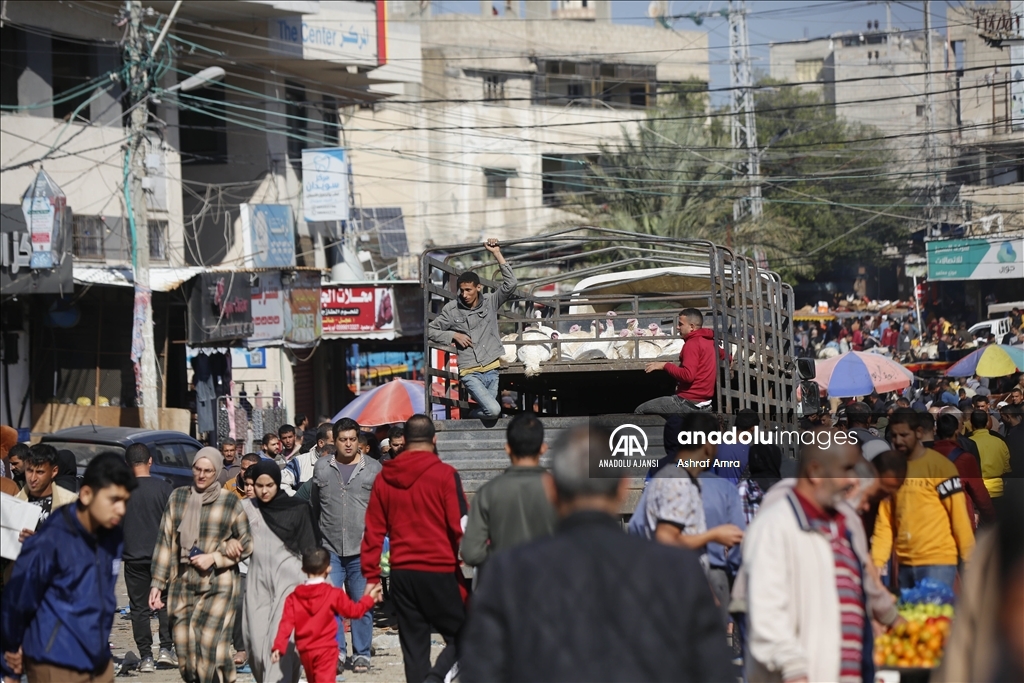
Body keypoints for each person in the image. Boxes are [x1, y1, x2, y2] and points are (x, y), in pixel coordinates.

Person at [459, 425, 734, 683]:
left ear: (551, 490)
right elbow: (714, 672)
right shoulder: (680, 571)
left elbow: (481, 672)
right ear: (623, 488)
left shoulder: (507, 573)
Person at [741, 435, 873, 683]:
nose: (853, 481)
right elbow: (767, 617)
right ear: (815, 472)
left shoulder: (840, 529)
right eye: (846, 470)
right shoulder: (775, 527)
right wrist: (794, 669)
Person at [1, 453, 137, 683]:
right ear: (86, 495)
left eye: (124, 501)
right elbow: (17, 601)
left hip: (98, 657)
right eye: (113, 500)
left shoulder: (112, 536)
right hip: (56, 660)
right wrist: (10, 657)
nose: (121, 510)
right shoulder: (51, 540)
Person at [361, 415, 469, 683]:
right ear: (434, 440)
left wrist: (371, 577)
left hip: (402, 574)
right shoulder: (445, 475)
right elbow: (461, 525)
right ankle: (437, 676)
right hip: (439, 570)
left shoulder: (385, 478)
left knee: (414, 646)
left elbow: (373, 531)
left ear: (405, 442)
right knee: (466, 634)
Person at [149, 447, 253, 683]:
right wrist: (157, 583)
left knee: (209, 649)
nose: (202, 475)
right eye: (198, 469)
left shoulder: (229, 502)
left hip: (219, 584)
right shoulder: (178, 497)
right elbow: (166, 541)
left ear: (217, 472)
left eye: (208, 470)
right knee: (185, 656)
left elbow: (246, 543)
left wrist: (215, 557)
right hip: (182, 583)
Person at [870, 409, 974, 590]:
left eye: (904, 435)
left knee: (934, 618)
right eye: (894, 436)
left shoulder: (941, 467)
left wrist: (970, 560)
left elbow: (958, 516)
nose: (898, 440)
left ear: (918, 432)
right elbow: (885, 521)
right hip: (904, 564)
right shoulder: (893, 470)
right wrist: (877, 562)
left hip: (938, 562)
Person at [310, 417, 381, 675]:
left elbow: (381, 510)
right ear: (334, 441)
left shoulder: (374, 469)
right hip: (328, 547)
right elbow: (315, 505)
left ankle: (361, 654)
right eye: (343, 440)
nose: (348, 444)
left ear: (358, 441)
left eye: (352, 439)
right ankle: (336, 652)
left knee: (361, 602)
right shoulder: (321, 468)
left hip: (363, 548)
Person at [241, 460, 319, 683]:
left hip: (290, 580)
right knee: (254, 645)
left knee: (280, 639)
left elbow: (311, 548)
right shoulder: (245, 508)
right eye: (259, 486)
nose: (264, 491)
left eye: (269, 485)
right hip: (256, 581)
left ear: (278, 483)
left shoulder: (298, 508)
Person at [633, 412, 744, 563]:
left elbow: (636, 527)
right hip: (678, 576)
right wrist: (714, 535)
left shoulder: (663, 476)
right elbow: (665, 540)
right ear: (708, 447)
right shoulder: (678, 482)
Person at [427, 239, 517, 419]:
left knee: (490, 415)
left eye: (468, 290)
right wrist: (453, 335)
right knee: (494, 411)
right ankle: (467, 417)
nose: (464, 294)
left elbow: (511, 284)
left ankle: (468, 416)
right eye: (462, 290)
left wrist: (496, 253)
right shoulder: (452, 309)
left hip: (492, 369)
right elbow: (430, 330)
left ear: (478, 287)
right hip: (470, 372)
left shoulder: (491, 302)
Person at [461, 413, 556, 576]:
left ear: (507, 448)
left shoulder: (488, 493)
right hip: (549, 588)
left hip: (503, 588)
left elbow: (471, 553)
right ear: (543, 448)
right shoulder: (561, 491)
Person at [270, 548, 382, 683]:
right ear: (328, 569)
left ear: (303, 570)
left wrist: (279, 646)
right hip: (326, 649)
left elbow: (286, 623)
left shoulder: (294, 597)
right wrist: (369, 599)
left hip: (305, 651)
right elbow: (354, 612)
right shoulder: (333, 594)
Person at [122, 444, 176, 673]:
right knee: (164, 603)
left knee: (139, 608)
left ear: (127, 464)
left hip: (133, 557)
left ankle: (145, 656)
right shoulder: (165, 489)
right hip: (162, 558)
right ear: (150, 461)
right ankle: (165, 649)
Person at [636, 308, 723, 415]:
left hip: (687, 402)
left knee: (640, 410)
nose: (677, 327)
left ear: (691, 327)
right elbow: (725, 355)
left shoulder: (692, 344)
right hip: (705, 404)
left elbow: (688, 375)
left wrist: (665, 366)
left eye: (680, 324)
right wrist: (730, 360)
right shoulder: (710, 342)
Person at [699, 464, 747, 625]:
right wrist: (733, 575)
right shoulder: (724, 488)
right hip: (715, 571)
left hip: (672, 572)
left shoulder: (661, 484)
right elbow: (737, 538)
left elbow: (637, 526)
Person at [932, 414, 996, 529]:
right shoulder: (965, 458)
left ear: (936, 431)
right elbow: (979, 492)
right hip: (961, 519)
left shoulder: (924, 456)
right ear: (957, 431)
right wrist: (990, 518)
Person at [14, 444, 78, 540]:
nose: (33, 478)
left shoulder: (70, 502)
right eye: (29, 470)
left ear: (54, 471)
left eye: (40, 472)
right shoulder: (14, 502)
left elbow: (78, 543)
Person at [969, 409, 1011, 499]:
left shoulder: (968, 443)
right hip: (998, 491)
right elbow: (1007, 468)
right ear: (987, 422)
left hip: (976, 492)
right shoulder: (1000, 442)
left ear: (971, 423)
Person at [998, 403, 1024, 478]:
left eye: (1002, 417)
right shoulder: (1009, 430)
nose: (1001, 419)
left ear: (1008, 416)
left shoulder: (1016, 433)